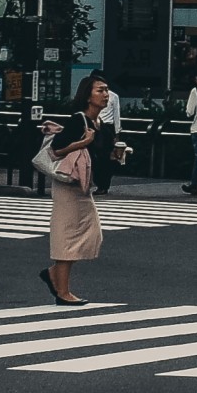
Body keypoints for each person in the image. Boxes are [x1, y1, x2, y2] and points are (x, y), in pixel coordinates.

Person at [39, 76, 112, 305]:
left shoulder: (99, 123)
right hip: (68, 185)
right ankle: (63, 291)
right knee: (67, 235)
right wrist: (83, 143)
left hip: (83, 186)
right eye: (100, 90)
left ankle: (54, 275)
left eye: (107, 90)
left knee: (90, 233)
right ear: (88, 96)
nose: (106, 94)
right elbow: (57, 149)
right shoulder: (77, 121)